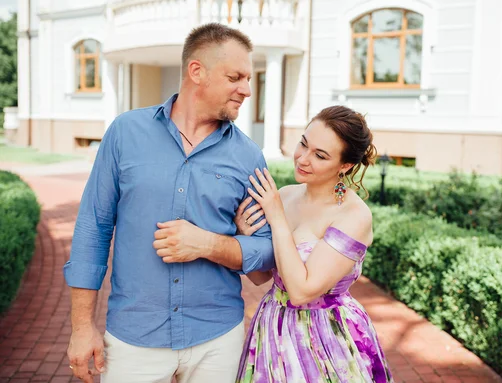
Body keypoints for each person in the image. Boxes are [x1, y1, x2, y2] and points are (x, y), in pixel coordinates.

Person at [63, 23, 275, 383]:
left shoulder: (249, 156)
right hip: (134, 336)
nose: (247, 90)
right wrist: (82, 327)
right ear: (197, 72)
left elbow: (267, 256)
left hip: (217, 338)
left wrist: (209, 244)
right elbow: (92, 229)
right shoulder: (125, 133)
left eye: (249, 79)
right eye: (236, 77)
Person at [233, 105, 395, 382]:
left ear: (345, 166)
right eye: (303, 145)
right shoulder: (285, 195)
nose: (303, 159)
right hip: (273, 326)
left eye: (320, 155)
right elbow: (261, 277)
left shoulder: (354, 216)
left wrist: (276, 217)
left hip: (328, 337)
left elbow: (301, 292)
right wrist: (245, 235)